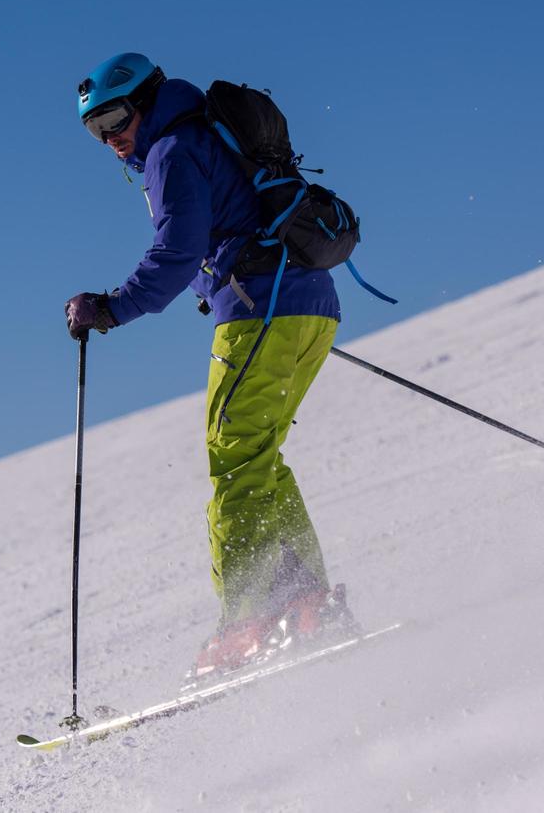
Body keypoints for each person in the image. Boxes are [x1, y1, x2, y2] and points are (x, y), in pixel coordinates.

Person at [65, 52, 358, 684]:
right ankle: (305, 608)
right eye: (95, 130)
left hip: (261, 310)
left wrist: (112, 308)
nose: (111, 138)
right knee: (257, 456)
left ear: (146, 101)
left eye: (115, 117)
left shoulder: (172, 149)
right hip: (307, 307)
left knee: (233, 457)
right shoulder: (198, 137)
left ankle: (250, 623)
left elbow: (177, 250)